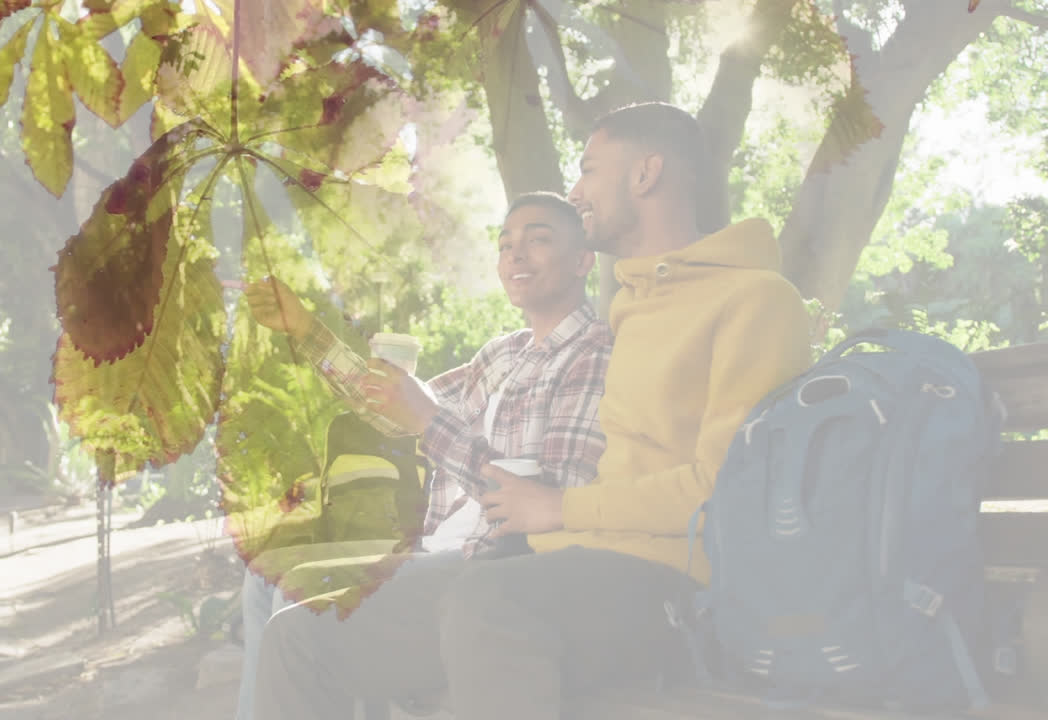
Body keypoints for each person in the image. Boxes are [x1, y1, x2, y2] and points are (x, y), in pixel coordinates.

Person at [252, 102, 814, 720]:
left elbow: (725, 493)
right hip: (560, 558)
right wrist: (307, 332)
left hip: (672, 586)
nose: (577, 190)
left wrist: (555, 507)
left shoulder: (756, 299)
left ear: (646, 173)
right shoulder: (631, 307)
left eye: (590, 169)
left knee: (488, 602)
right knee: (301, 633)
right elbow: (398, 405)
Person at [232, 191, 613, 720]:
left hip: (497, 570)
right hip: (434, 545)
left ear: (583, 261)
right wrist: (307, 330)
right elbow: (393, 407)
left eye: (538, 239)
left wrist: (427, 420)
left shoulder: (594, 355)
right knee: (264, 578)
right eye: (506, 245)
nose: (516, 255)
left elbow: (546, 507)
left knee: (303, 608)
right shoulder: (503, 354)